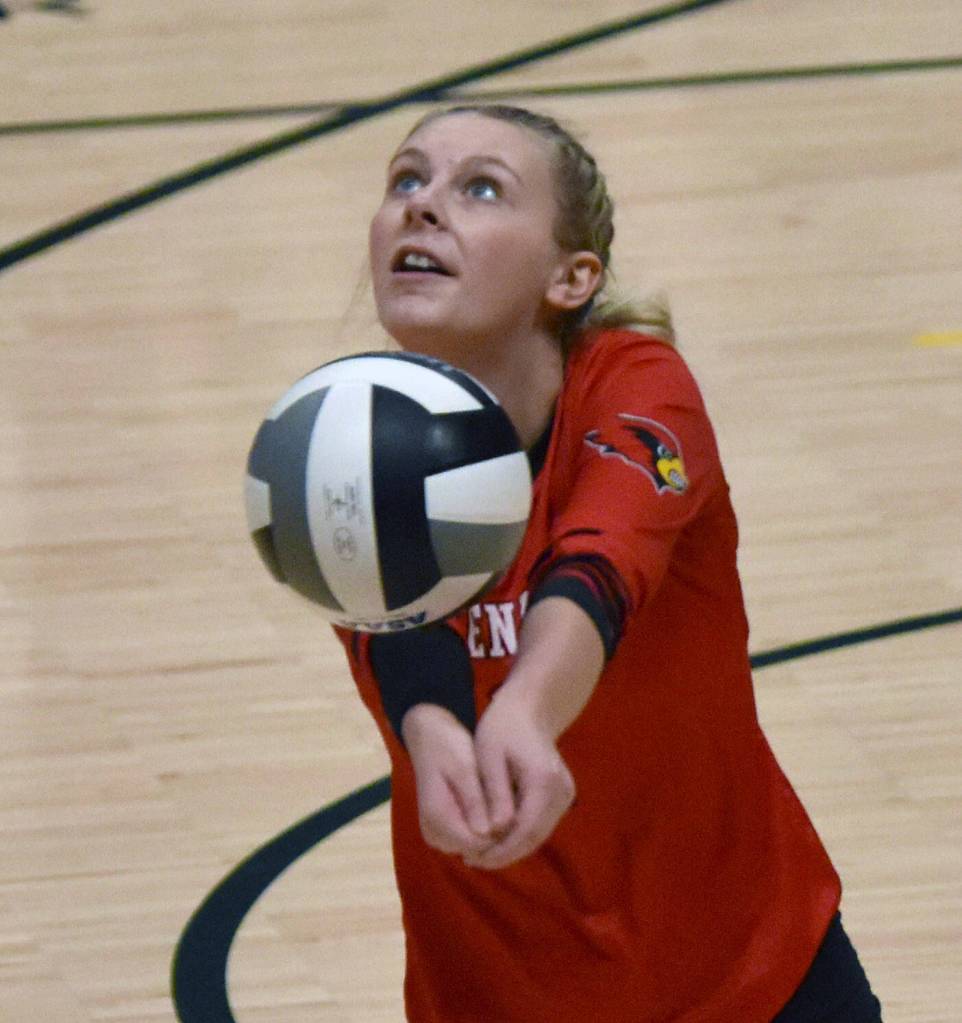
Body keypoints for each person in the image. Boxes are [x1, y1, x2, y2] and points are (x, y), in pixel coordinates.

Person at [333, 104, 883, 1022]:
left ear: (572, 275)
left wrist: (526, 711)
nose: (422, 208)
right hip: (498, 994)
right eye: (406, 180)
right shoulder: (346, 440)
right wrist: (437, 740)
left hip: (753, 977)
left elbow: (600, 560)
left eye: (479, 189)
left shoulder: (638, 385)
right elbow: (403, 633)